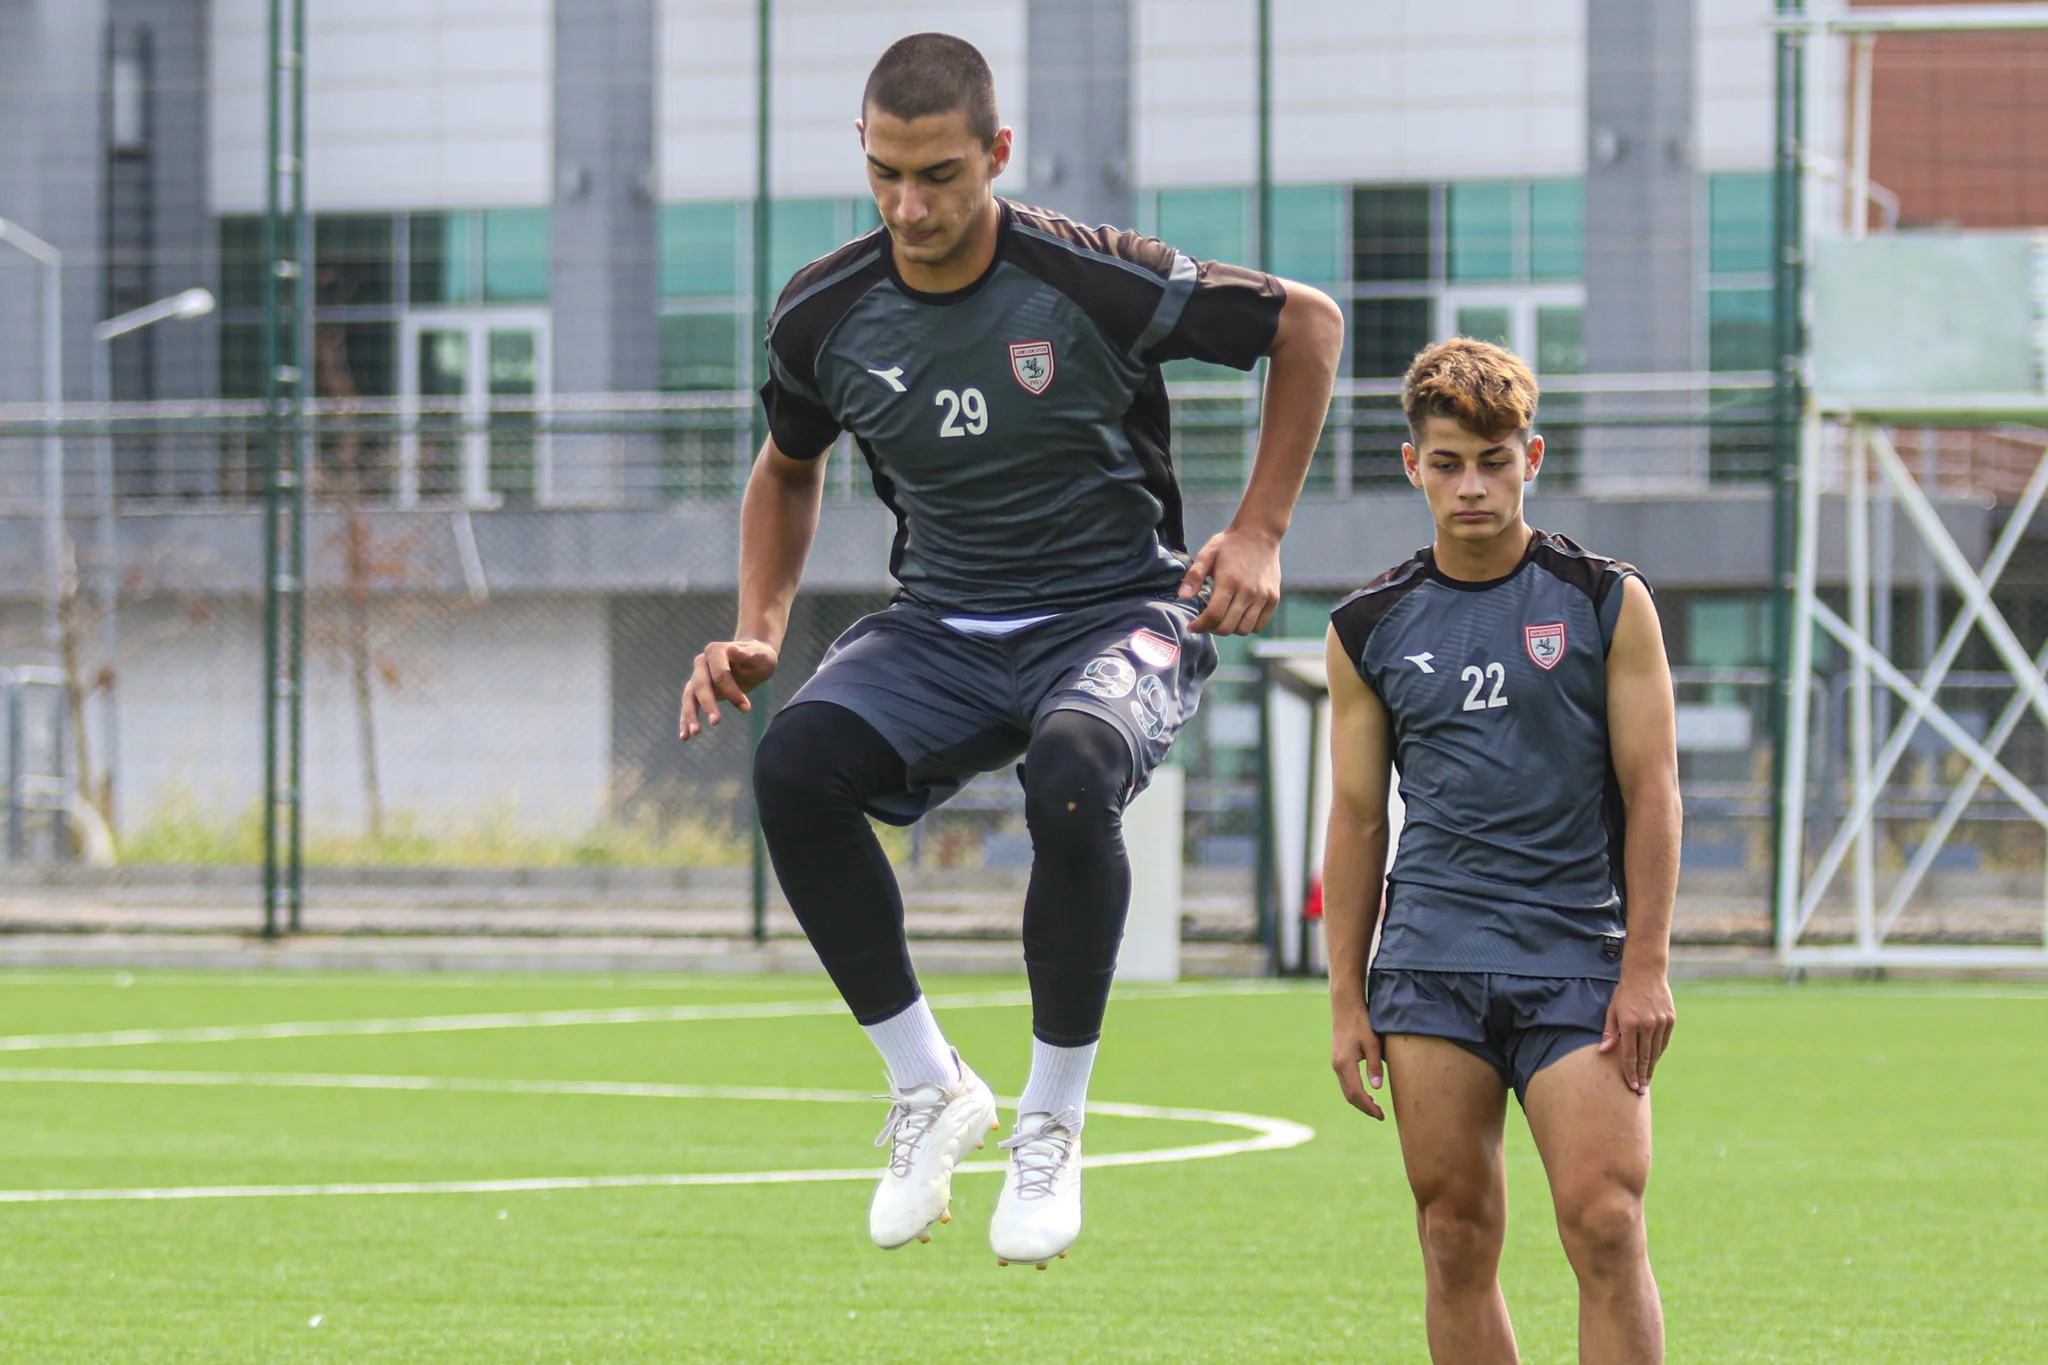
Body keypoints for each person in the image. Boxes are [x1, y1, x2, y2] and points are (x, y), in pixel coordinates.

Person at [677, 32, 1343, 1268]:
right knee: (795, 768)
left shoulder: (1089, 278)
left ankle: (1051, 1121)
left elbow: (1306, 325)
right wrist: (758, 627)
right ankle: (928, 1087)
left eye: (938, 175)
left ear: (995, 153)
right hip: (941, 625)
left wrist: (1258, 530)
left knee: (1073, 772)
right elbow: (786, 465)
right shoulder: (821, 313)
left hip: (1114, 612)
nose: (908, 206)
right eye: (884, 174)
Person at [1322, 338, 1680, 1362]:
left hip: (1576, 957)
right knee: (1452, 1235)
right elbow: (1356, 820)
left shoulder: (1604, 599)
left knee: (1605, 1221)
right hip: (1428, 964)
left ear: (1532, 456)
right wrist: (1345, 999)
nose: (1471, 486)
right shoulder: (1366, 625)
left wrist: (1646, 968)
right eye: (1447, 464)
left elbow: (1653, 789)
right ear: (1412, 466)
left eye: (1492, 461)